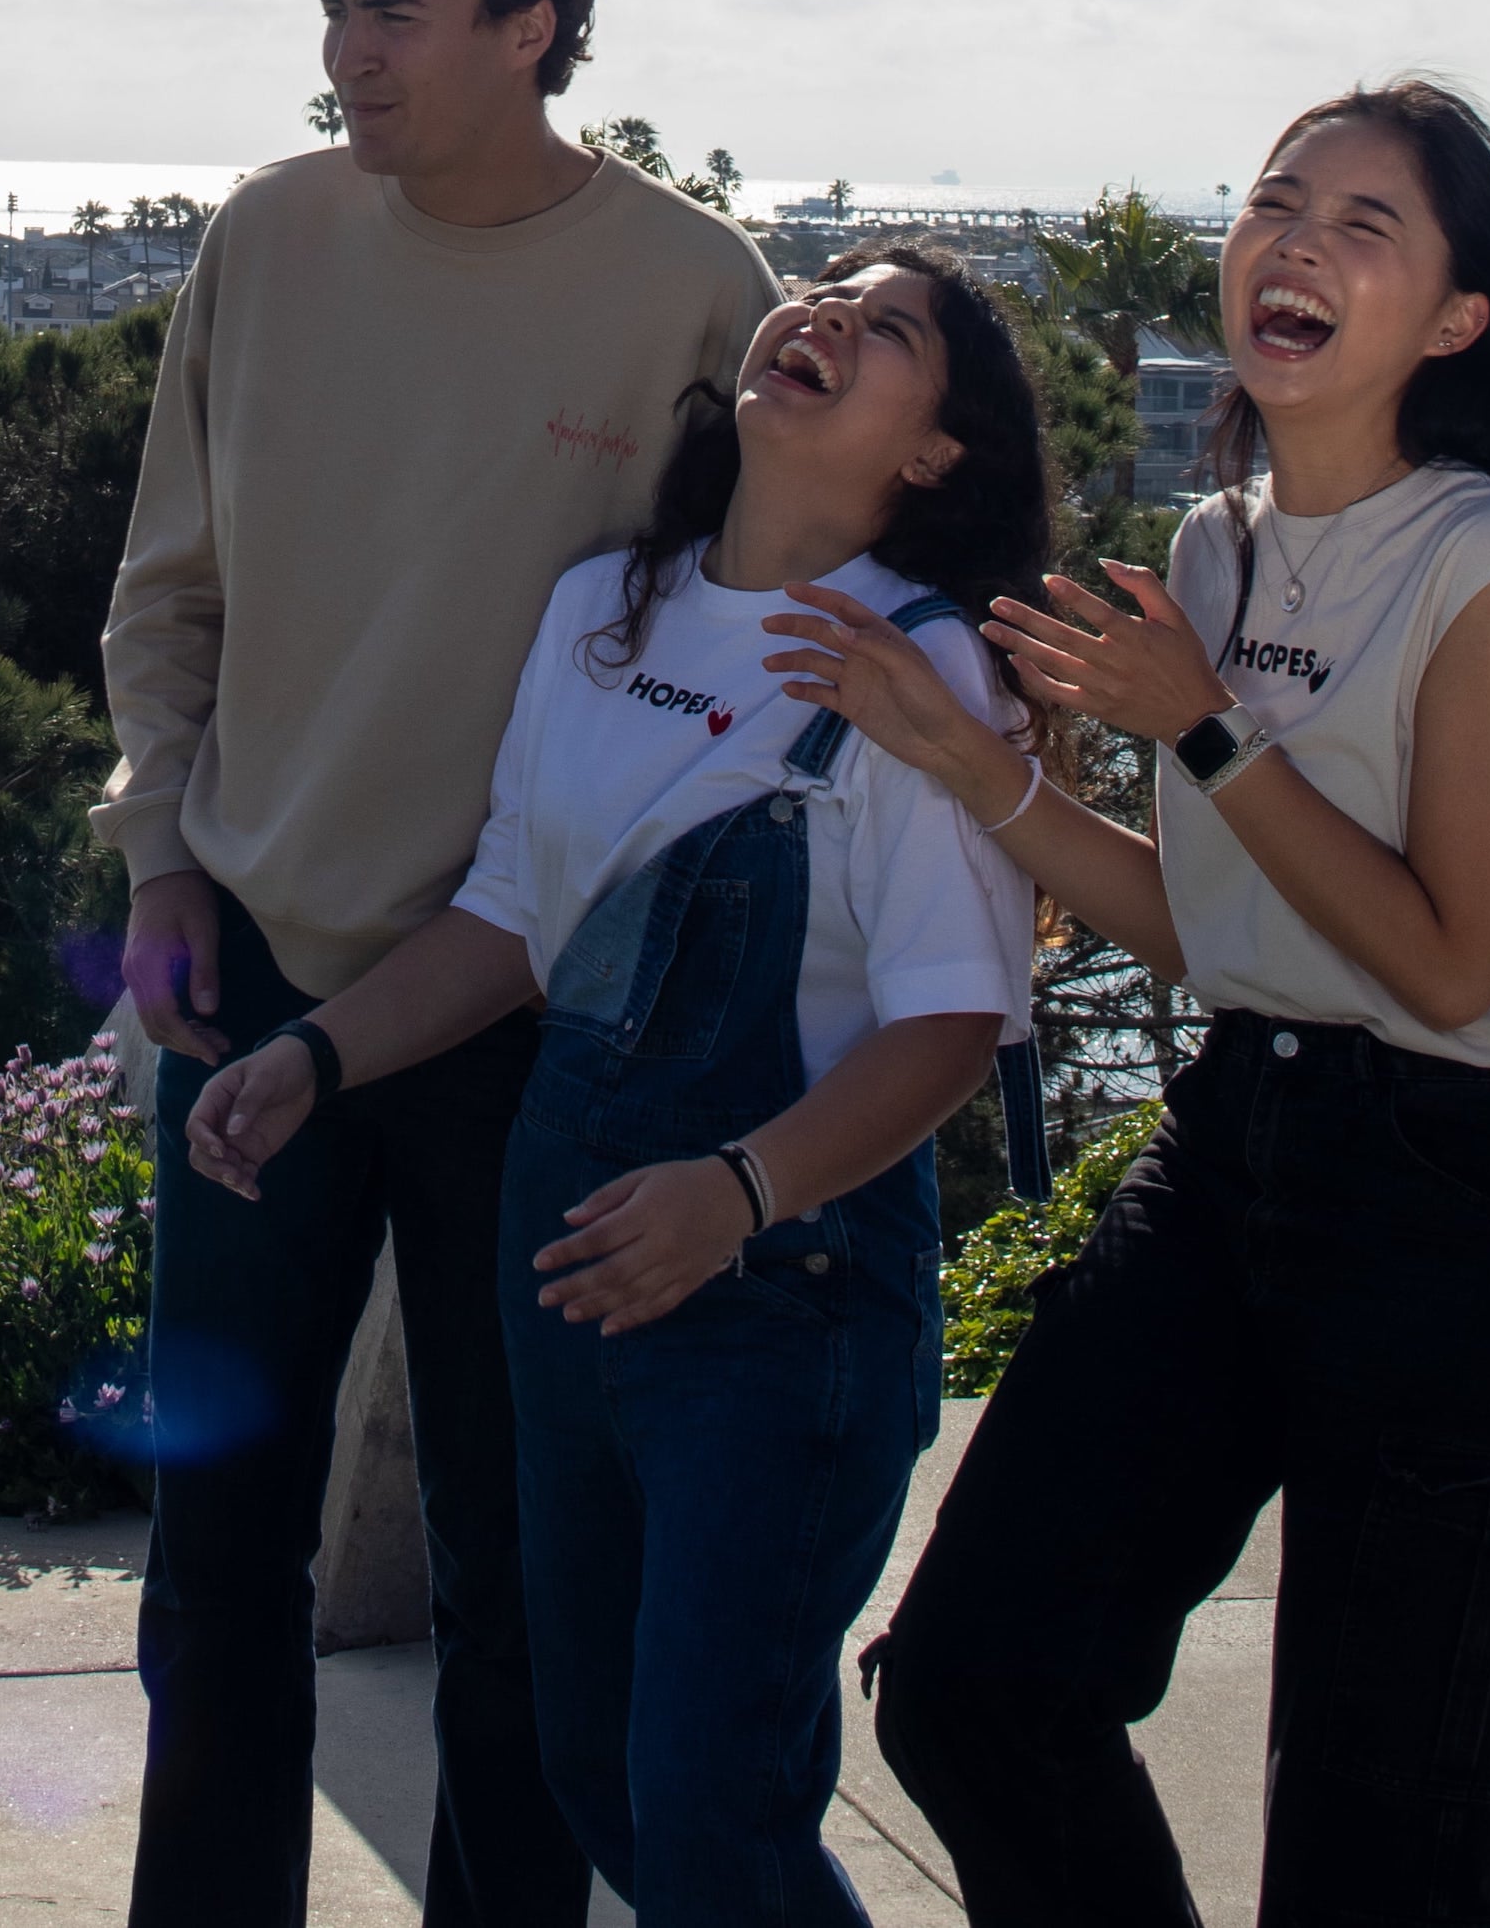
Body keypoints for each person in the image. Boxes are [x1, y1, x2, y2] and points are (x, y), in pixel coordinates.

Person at [776, 80, 1490, 1928]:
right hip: (1237, 1144)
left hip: (1452, 1193)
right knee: (978, 1683)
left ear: (1459, 320)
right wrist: (963, 760)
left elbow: (1454, 962)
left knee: (1383, 1847)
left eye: (1365, 226)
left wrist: (1204, 721)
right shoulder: (1212, 553)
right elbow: (1217, 934)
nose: (1294, 244)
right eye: (1279, 203)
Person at [184, 250, 1053, 1928]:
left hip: (779, 1303)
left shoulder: (920, 671)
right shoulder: (607, 605)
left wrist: (734, 1193)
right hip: (568, 1260)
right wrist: (317, 1055)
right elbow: (514, 911)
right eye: (822, 294)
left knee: (713, 1812)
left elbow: (952, 1026)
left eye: (888, 334)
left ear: (936, 454)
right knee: (590, 1762)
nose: (822, 322)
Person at [99, 0, 780, 1928]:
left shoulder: (694, 294)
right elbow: (166, 591)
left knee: (521, 1572)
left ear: (528, 27)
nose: (348, 61)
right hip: (253, 980)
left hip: (539, 1028)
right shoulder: (270, 238)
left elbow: (755, 654)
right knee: (217, 1559)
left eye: (392, 14)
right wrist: (159, 863)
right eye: (332, 13)